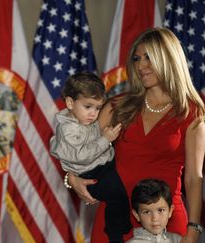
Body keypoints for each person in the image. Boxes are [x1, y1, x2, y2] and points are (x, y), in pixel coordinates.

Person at [67, 27, 205, 242]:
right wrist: (71, 178)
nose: (141, 66)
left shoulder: (191, 111)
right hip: (115, 218)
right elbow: (76, 147)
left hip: (165, 222)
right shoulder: (118, 106)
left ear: (168, 58)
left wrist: (194, 228)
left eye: (149, 57)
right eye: (137, 59)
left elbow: (194, 178)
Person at [50, 72, 131, 242]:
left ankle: (120, 224)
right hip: (91, 175)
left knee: (121, 191)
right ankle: (115, 232)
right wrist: (105, 140)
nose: (93, 113)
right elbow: (81, 156)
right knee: (117, 194)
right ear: (70, 103)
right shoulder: (67, 129)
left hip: (104, 166)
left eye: (97, 108)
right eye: (88, 106)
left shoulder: (85, 120)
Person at [128, 178, 182, 243]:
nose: (155, 218)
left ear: (170, 211)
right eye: (147, 212)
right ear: (137, 215)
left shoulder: (178, 240)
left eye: (160, 210)